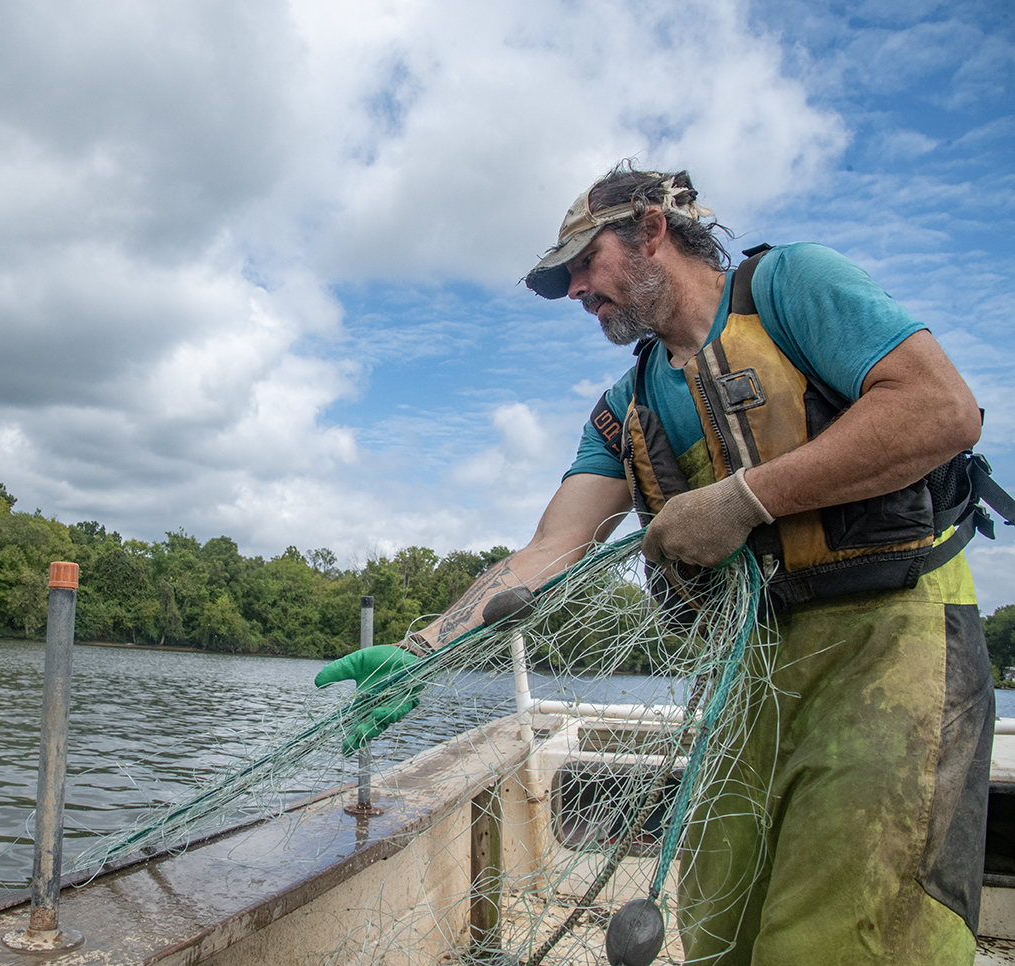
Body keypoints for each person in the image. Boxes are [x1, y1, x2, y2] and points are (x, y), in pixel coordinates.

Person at [332, 164, 1007, 964]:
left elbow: (940, 408)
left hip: (892, 638)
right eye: (567, 279)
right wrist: (424, 652)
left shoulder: (791, 285)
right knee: (720, 917)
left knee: (857, 922)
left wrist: (743, 500)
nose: (578, 289)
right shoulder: (625, 406)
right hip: (747, 670)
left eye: (586, 263)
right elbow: (553, 549)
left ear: (652, 230)